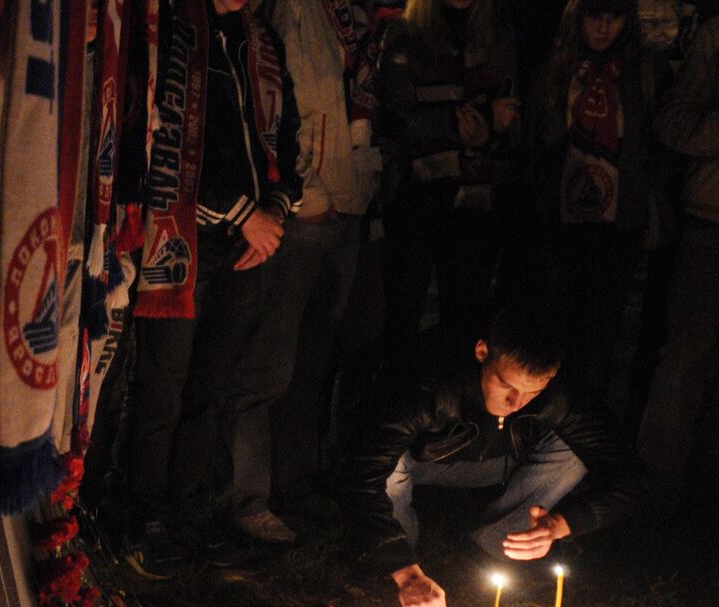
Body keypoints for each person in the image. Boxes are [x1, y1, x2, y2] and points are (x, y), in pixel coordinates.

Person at [123, 0, 302, 578]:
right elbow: (158, 138)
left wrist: (274, 210)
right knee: (163, 386)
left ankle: (187, 511)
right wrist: (243, 212)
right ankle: (143, 516)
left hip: (248, 245)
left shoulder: (260, 41)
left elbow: (288, 138)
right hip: (182, 236)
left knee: (212, 385)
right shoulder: (171, 25)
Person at [340, 306, 644, 607]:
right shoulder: (428, 383)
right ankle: (400, 561)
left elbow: (632, 475)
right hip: (422, 460)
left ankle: (489, 548)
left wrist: (562, 525)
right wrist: (404, 571)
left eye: (533, 391)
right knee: (387, 469)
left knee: (573, 451)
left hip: (499, 461)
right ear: (483, 352)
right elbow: (360, 472)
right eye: (507, 385)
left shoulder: (562, 394)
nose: (516, 403)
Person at [263, 0, 381, 524]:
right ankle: (260, 487)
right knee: (280, 354)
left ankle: (299, 480)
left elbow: (361, 97)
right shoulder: (295, 9)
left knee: (319, 353)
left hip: (348, 201)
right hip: (310, 205)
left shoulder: (354, 15)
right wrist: (305, 192)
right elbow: (285, 102)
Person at [533, 0, 671, 403]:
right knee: (555, 328)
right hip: (562, 221)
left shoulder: (642, 73)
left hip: (618, 225)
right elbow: (539, 141)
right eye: (595, 15)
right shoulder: (557, 71)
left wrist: (645, 183)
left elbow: (657, 138)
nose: (603, 26)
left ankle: (582, 431)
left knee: (601, 334)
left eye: (613, 16)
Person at [377, 0, 522, 358]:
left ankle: (454, 408)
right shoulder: (404, 36)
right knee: (403, 321)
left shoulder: (498, 40)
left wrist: (492, 132)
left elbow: (514, 120)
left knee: (465, 325)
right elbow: (395, 120)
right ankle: (399, 405)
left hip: (475, 198)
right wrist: (468, 124)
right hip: (417, 197)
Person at [637, 15, 719, 502]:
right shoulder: (714, 36)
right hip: (711, 225)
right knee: (684, 363)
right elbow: (673, 124)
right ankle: (650, 494)